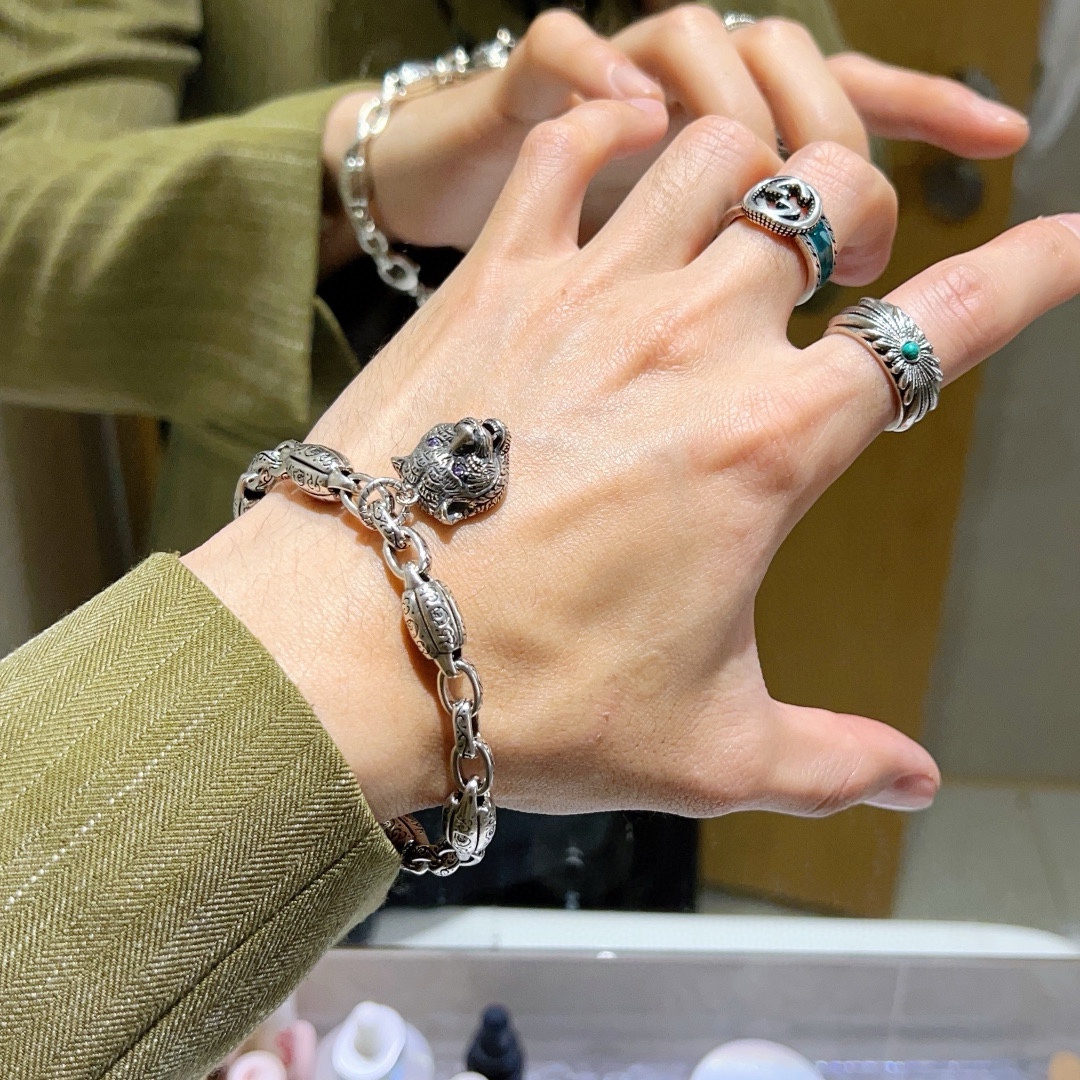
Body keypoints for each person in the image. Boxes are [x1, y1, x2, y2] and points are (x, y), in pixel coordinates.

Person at [2, 66, 1078, 1075]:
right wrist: (360, 155)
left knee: (602, 929)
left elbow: (821, 168)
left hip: (629, 585)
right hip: (271, 649)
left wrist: (752, 109)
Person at [0, 1, 1028, 555]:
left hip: (649, 571)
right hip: (296, 587)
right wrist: (366, 164)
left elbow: (821, 198)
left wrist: (779, 180)